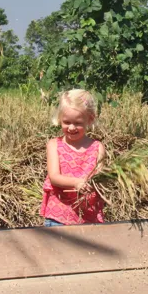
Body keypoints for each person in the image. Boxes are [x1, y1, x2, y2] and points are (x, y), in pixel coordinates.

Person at [40, 89, 106, 226]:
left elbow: (100, 177)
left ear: (90, 119)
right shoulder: (54, 145)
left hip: (89, 214)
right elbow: (54, 176)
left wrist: (95, 184)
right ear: (60, 119)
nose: (71, 127)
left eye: (77, 123)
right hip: (59, 215)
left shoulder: (97, 147)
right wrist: (76, 183)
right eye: (66, 122)